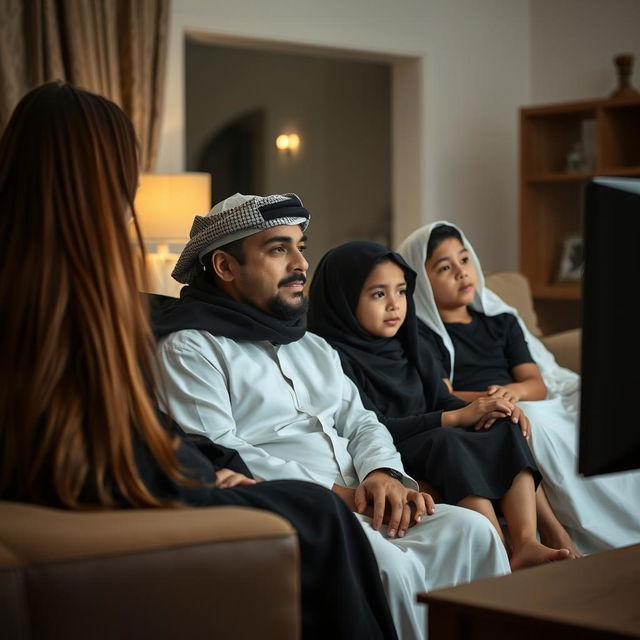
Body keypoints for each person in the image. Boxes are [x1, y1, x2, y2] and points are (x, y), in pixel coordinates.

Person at [0, 81, 401, 640]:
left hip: (119, 468)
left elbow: (136, 419)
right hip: (95, 480)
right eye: (122, 179)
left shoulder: (51, 279)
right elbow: (93, 427)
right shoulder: (73, 294)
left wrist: (203, 468)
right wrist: (201, 475)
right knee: (320, 512)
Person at [151, 192, 511, 640]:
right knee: (391, 569)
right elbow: (219, 452)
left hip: (365, 499)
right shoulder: (192, 348)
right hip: (296, 511)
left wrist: (383, 474)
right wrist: (343, 496)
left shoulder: (312, 345)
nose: (301, 262)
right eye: (278, 249)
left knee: (474, 530)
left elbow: (361, 421)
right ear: (225, 267)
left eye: (301, 246)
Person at [306, 240, 570, 570]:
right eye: (378, 294)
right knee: (451, 440)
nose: (394, 305)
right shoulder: (331, 358)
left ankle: (527, 540)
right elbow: (368, 425)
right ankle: (498, 550)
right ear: (343, 300)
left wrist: (488, 406)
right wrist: (454, 418)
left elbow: (441, 397)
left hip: (435, 433)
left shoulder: (410, 343)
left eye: (401, 291)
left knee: (504, 422)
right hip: (395, 445)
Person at [398, 221, 640, 555]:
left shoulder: (501, 322)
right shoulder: (422, 335)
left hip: (519, 398)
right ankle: (556, 536)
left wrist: (513, 393)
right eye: (444, 267)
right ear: (423, 283)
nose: (461, 272)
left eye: (465, 260)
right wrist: (490, 401)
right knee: (528, 422)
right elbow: (441, 393)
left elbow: (536, 383)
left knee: (598, 412)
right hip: (476, 408)